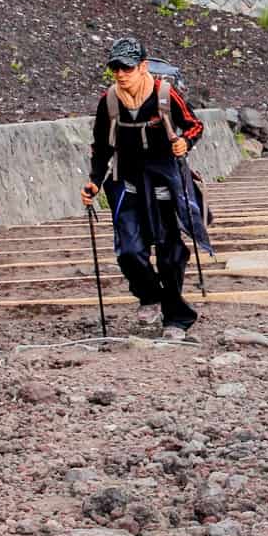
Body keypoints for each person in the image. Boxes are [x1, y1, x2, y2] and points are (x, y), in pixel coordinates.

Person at [81, 36, 211, 337]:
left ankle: (176, 319)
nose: (120, 74)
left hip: (164, 179)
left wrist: (184, 142)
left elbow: (194, 124)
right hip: (126, 182)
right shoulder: (109, 101)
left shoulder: (165, 95)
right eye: (115, 68)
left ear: (142, 67)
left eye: (126, 68)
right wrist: (94, 182)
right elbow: (101, 147)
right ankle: (150, 296)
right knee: (128, 252)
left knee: (170, 253)